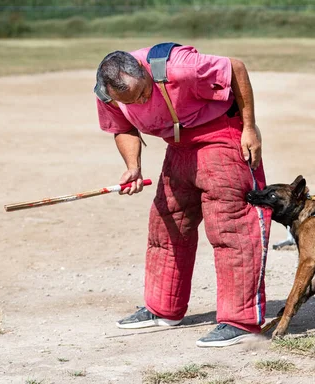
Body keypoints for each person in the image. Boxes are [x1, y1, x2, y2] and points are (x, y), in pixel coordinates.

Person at [94, 42, 272, 347]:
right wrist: (133, 166)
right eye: (132, 100)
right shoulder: (108, 93)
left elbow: (236, 68)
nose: (141, 101)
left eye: (143, 92)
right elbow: (123, 128)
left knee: (230, 226)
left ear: (146, 73)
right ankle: (163, 309)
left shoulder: (179, 67)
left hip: (221, 136)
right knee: (166, 223)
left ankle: (240, 320)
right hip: (178, 146)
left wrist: (250, 128)